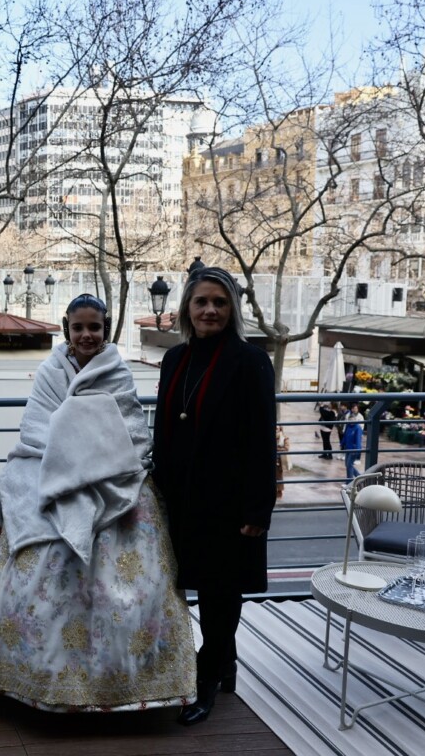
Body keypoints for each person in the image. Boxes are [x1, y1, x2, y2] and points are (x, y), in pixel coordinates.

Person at [0, 294, 195, 712]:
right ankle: (42, 678)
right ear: (66, 328)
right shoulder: (49, 372)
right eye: (79, 328)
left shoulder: (118, 372)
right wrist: (70, 456)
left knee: (130, 585)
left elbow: (131, 435)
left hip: (113, 483)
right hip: (54, 476)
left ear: (106, 329)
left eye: (94, 328)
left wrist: (89, 457)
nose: (87, 335)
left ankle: (122, 683)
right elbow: (37, 429)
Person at [152, 266, 276, 726]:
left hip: (228, 501)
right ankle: (227, 664)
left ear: (232, 310)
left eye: (220, 303)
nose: (209, 310)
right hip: (182, 497)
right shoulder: (175, 359)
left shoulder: (250, 361)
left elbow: (263, 439)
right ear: (187, 307)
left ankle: (206, 681)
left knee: (222, 591)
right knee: (194, 582)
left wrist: (258, 508)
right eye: (202, 301)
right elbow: (165, 428)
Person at [342, 403, 363, 483]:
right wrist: (342, 443)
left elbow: (358, 440)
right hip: (348, 447)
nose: (351, 421)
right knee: (347, 464)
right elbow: (345, 435)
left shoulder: (357, 428)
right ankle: (359, 476)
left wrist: (357, 450)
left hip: (354, 449)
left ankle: (349, 481)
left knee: (349, 464)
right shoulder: (348, 426)